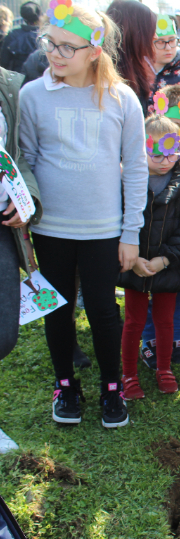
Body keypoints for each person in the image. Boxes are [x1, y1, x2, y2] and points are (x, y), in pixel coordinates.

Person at [19, 4, 148, 428]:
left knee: (101, 309)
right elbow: (28, 161)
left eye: (66, 48)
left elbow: (136, 167)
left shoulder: (121, 98)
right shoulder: (31, 96)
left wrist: (130, 232)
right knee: (55, 309)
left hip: (103, 229)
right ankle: (65, 385)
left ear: (94, 51)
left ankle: (112, 387)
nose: (54, 54)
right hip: (51, 228)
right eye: (50, 44)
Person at [119, 116, 180, 399]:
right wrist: (136, 260)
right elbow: (119, 220)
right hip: (135, 265)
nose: (165, 160)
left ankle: (164, 368)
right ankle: (128, 374)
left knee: (166, 321)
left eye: (172, 152)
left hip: (169, 265)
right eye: (156, 153)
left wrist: (165, 260)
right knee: (134, 321)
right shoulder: (126, 178)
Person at [138, 85, 180, 371]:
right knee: (149, 289)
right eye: (176, 126)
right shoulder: (144, 156)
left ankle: (175, 339)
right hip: (152, 236)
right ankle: (150, 341)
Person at [0, 66, 40, 361]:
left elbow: (15, 152)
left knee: (4, 335)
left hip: (3, 222)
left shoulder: (7, 85)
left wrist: (25, 192)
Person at [106, 0, 156, 114]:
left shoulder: (135, 68)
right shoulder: (108, 79)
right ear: (135, 33)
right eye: (150, 30)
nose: (155, 36)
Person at [1, 2, 42, 74]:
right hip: (39, 77)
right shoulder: (44, 35)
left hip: (17, 78)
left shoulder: (12, 35)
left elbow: (4, 62)